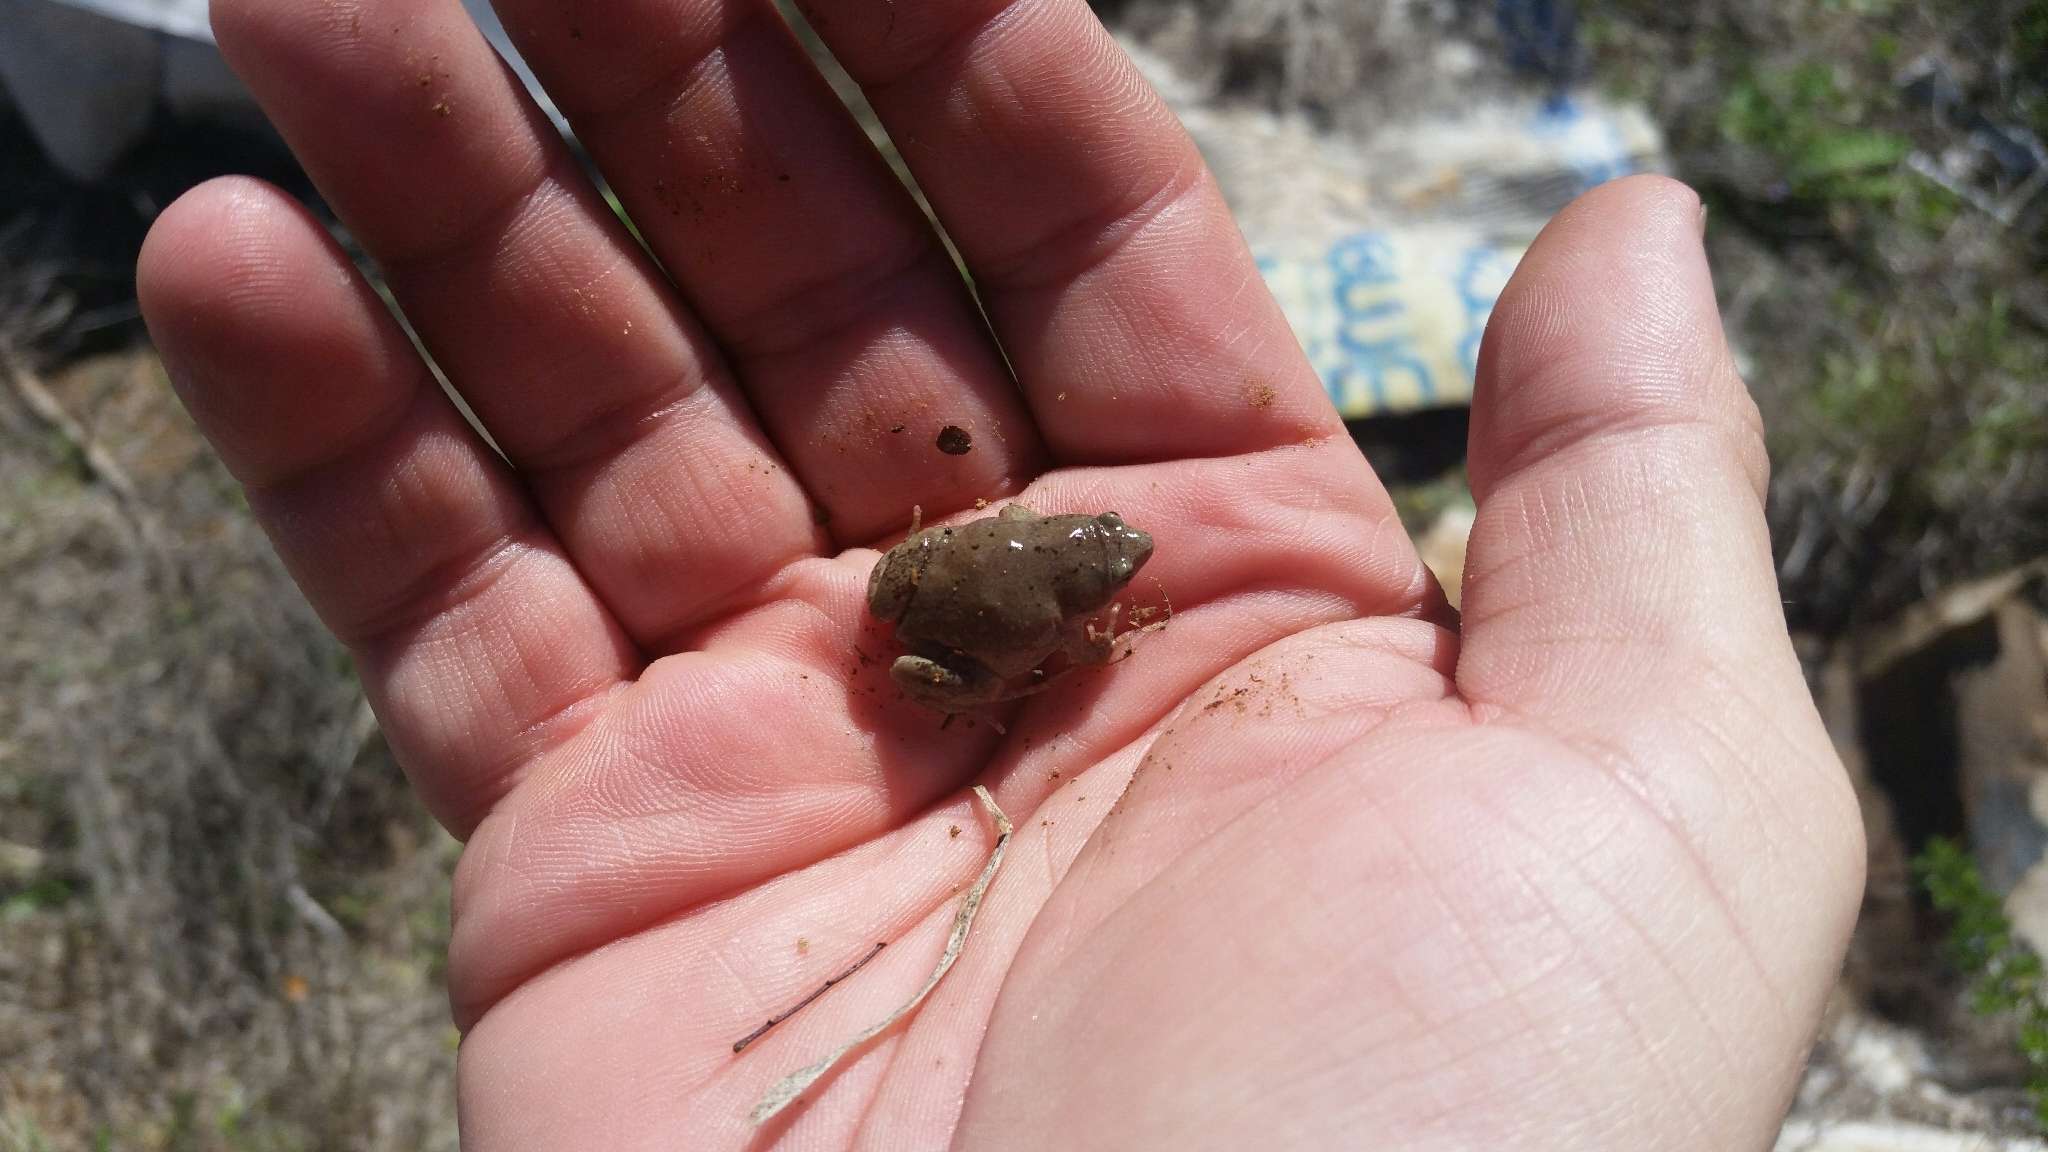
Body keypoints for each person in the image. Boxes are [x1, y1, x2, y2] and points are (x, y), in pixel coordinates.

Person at [134, 0, 1866, 1146]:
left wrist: (1041, 617)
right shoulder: (1055, 564)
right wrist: (1004, 632)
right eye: (1109, 548)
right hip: (927, 617)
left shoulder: (1073, 561)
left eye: (1111, 555)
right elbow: (991, 588)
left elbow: (1024, 587)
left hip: (946, 608)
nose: (1123, 550)